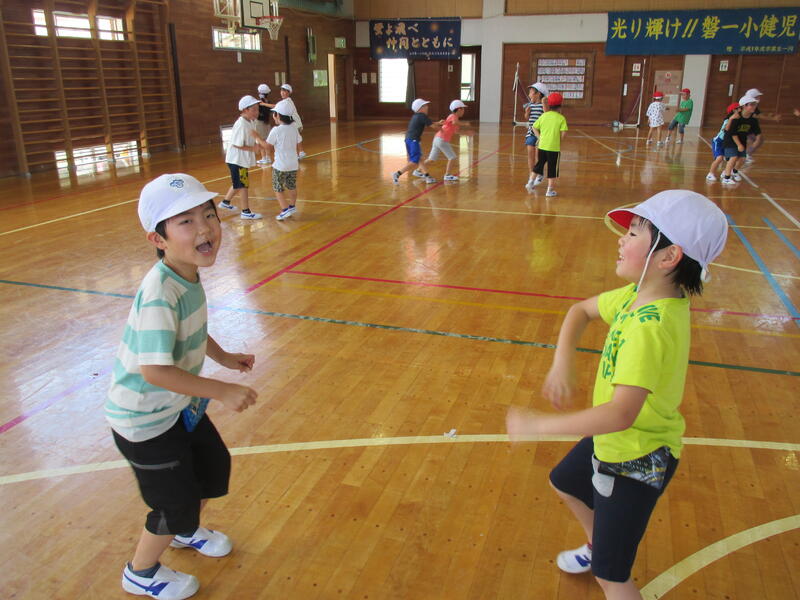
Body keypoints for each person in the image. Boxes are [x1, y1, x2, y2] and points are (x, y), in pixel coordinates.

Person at [507, 189, 728, 600]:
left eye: (634, 233)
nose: (621, 239)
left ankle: (605, 560)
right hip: (618, 440)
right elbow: (580, 311)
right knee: (565, 483)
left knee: (613, 578)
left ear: (669, 256)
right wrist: (563, 362)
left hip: (637, 458)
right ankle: (599, 546)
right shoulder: (637, 296)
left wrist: (540, 425)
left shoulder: (651, 327)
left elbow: (620, 414)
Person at [107, 173, 258, 600]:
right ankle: (140, 572)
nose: (205, 227)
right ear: (158, 239)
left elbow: (191, 330)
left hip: (175, 407)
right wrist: (221, 389)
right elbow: (154, 370)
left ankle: (182, 531)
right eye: (186, 221)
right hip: (144, 420)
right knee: (173, 502)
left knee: (212, 469)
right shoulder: (160, 292)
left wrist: (223, 357)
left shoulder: (187, 274)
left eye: (208, 214)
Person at [220, 95, 268, 220]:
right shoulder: (241, 124)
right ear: (245, 110)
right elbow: (237, 144)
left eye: (257, 109)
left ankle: (225, 202)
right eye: (254, 110)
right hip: (236, 160)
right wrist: (253, 149)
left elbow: (252, 137)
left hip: (239, 160)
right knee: (243, 186)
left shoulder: (250, 122)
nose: (257, 112)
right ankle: (245, 211)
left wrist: (257, 144)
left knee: (238, 184)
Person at [265, 99, 302, 221]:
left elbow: (267, 146)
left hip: (280, 165)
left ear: (278, 116)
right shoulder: (294, 128)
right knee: (291, 186)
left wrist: (257, 138)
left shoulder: (276, 130)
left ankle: (285, 209)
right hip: (293, 164)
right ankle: (292, 206)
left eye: (274, 113)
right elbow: (299, 141)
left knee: (277, 187)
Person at [391, 98, 443, 184]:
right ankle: (397, 173)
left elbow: (430, 123)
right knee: (414, 162)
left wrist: (439, 123)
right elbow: (433, 126)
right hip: (413, 140)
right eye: (425, 105)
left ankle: (427, 177)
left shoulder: (417, 116)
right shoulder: (422, 116)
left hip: (409, 139)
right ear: (420, 108)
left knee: (420, 159)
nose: (427, 107)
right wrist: (443, 129)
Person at [530, 91, 568, 197]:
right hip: (554, 149)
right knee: (552, 169)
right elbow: (564, 133)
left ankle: (530, 182)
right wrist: (559, 141)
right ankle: (549, 190)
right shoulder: (561, 118)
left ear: (549, 104)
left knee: (539, 165)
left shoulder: (544, 116)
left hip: (542, 146)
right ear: (560, 105)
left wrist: (540, 138)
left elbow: (534, 127)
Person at [421, 99, 469, 182]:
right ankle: (447, 175)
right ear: (459, 109)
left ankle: (418, 170)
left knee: (431, 159)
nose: (464, 111)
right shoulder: (453, 116)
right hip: (442, 139)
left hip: (437, 138)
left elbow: (456, 131)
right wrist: (465, 124)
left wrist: (466, 133)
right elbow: (454, 122)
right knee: (452, 157)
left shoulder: (455, 119)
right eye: (463, 109)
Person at [721, 95, 761, 185]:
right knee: (734, 157)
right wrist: (739, 145)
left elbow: (757, 130)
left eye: (755, 105)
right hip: (730, 140)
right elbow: (732, 133)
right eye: (751, 104)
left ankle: (734, 171)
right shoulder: (736, 118)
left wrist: (758, 139)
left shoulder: (752, 119)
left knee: (742, 158)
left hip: (742, 140)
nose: (754, 106)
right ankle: (726, 178)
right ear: (744, 106)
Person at [742, 88, 780, 161]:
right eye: (757, 96)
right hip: (746, 126)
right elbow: (759, 115)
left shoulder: (753, 105)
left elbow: (759, 114)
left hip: (751, 127)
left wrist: (769, 116)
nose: (759, 98)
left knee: (758, 140)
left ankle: (746, 154)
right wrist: (773, 118)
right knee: (752, 140)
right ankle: (744, 155)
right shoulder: (749, 104)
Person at [523, 82, 548, 191]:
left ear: (538, 94)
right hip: (531, 132)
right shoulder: (530, 105)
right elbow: (527, 118)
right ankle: (531, 175)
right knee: (530, 153)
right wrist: (527, 113)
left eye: (531, 92)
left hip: (541, 133)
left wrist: (544, 103)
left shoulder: (543, 105)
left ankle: (539, 173)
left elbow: (547, 116)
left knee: (539, 154)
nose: (529, 94)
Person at [705, 102, 739, 182]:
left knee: (733, 158)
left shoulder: (738, 121)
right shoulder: (728, 120)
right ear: (734, 110)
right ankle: (710, 174)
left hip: (727, 142)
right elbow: (725, 129)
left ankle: (725, 172)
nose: (741, 110)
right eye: (739, 108)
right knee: (719, 158)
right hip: (718, 141)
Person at [278, 83, 306, 158]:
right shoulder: (285, 101)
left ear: (289, 93)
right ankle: (300, 152)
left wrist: (264, 104)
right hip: (294, 123)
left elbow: (276, 106)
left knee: (296, 138)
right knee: (296, 138)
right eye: (281, 91)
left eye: (285, 91)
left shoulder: (287, 101)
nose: (282, 93)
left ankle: (300, 152)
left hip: (295, 123)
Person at [255, 83, 275, 165]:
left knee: (260, 141)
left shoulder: (259, 102)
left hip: (259, 123)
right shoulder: (268, 102)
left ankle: (264, 158)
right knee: (266, 140)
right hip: (267, 123)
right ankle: (268, 158)